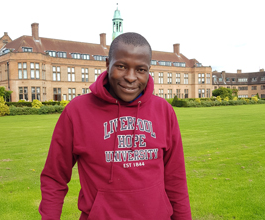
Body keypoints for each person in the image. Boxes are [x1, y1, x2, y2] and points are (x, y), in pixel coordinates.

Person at [39, 32, 192, 220]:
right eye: (121, 66)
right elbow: (54, 178)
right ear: (107, 64)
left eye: (141, 70)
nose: (130, 77)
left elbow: (176, 180)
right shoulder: (76, 112)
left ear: (148, 70)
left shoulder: (164, 111)